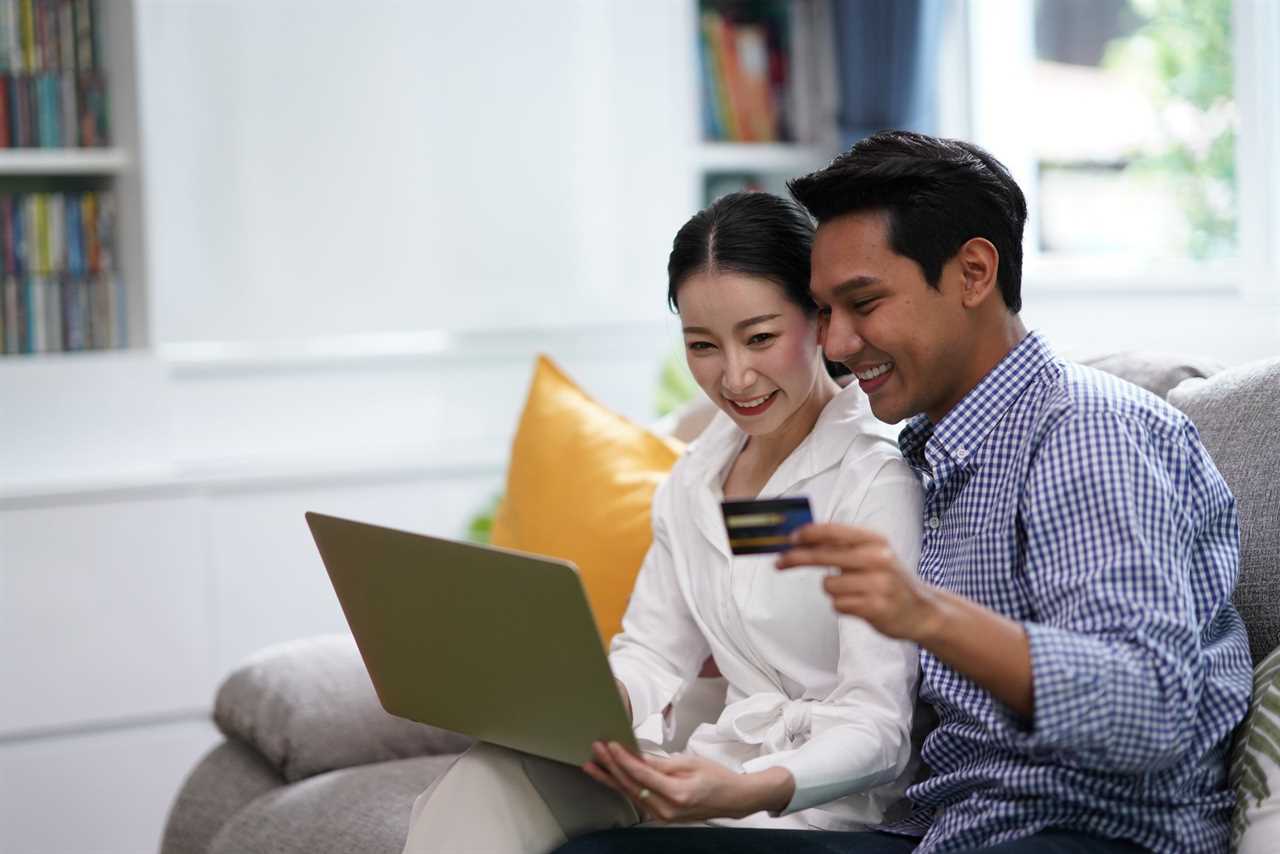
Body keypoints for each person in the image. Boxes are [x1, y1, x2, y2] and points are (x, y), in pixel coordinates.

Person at [556, 132, 1253, 854]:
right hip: (948, 830)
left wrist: (928, 614)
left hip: (1088, 832)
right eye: (825, 311)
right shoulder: (940, 456)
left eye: (863, 303)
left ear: (974, 273)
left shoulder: (1085, 432)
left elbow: (1153, 709)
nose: (837, 345)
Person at [399, 191, 925, 854]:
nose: (734, 377)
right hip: (709, 765)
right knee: (491, 780)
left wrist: (749, 786)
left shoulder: (875, 480)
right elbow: (653, 650)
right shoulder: (694, 481)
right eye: (703, 346)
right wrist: (598, 704)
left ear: (820, 320)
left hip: (817, 805)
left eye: (760, 338)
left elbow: (878, 726)